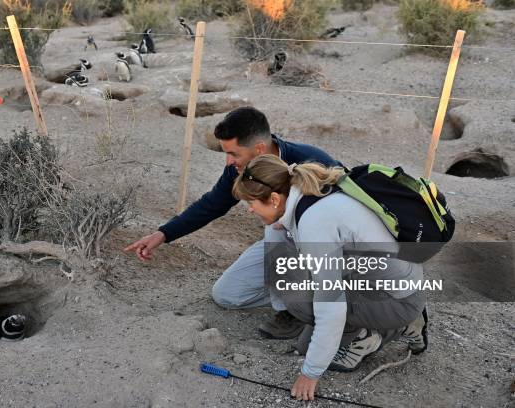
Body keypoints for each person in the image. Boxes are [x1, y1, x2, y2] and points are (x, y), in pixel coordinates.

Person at [124, 107, 339, 339]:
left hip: (329, 249)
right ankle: (304, 294)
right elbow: (212, 204)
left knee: (276, 229)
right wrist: (163, 234)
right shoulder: (239, 169)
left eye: (234, 153)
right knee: (227, 294)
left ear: (258, 148)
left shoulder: (309, 160)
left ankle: (293, 310)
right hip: (286, 247)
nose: (228, 161)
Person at [232, 154, 428, 401]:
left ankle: (395, 328)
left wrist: (310, 373)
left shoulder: (315, 223)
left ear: (274, 198)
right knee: (306, 344)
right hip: (394, 282)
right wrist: (284, 223)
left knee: (295, 297)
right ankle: (368, 327)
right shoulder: (313, 194)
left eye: (251, 203)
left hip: (399, 300)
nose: (249, 209)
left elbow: (331, 308)